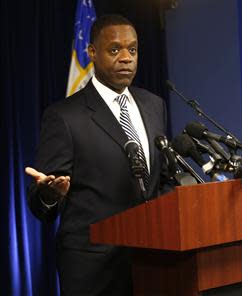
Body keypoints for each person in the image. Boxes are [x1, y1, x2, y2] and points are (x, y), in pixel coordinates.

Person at [26, 14, 171, 295]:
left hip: (153, 260)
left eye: (133, 49)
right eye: (114, 50)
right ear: (92, 52)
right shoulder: (64, 117)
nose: (126, 58)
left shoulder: (155, 106)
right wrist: (49, 194)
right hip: (94, 270)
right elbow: (39, 201)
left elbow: (163, 179)